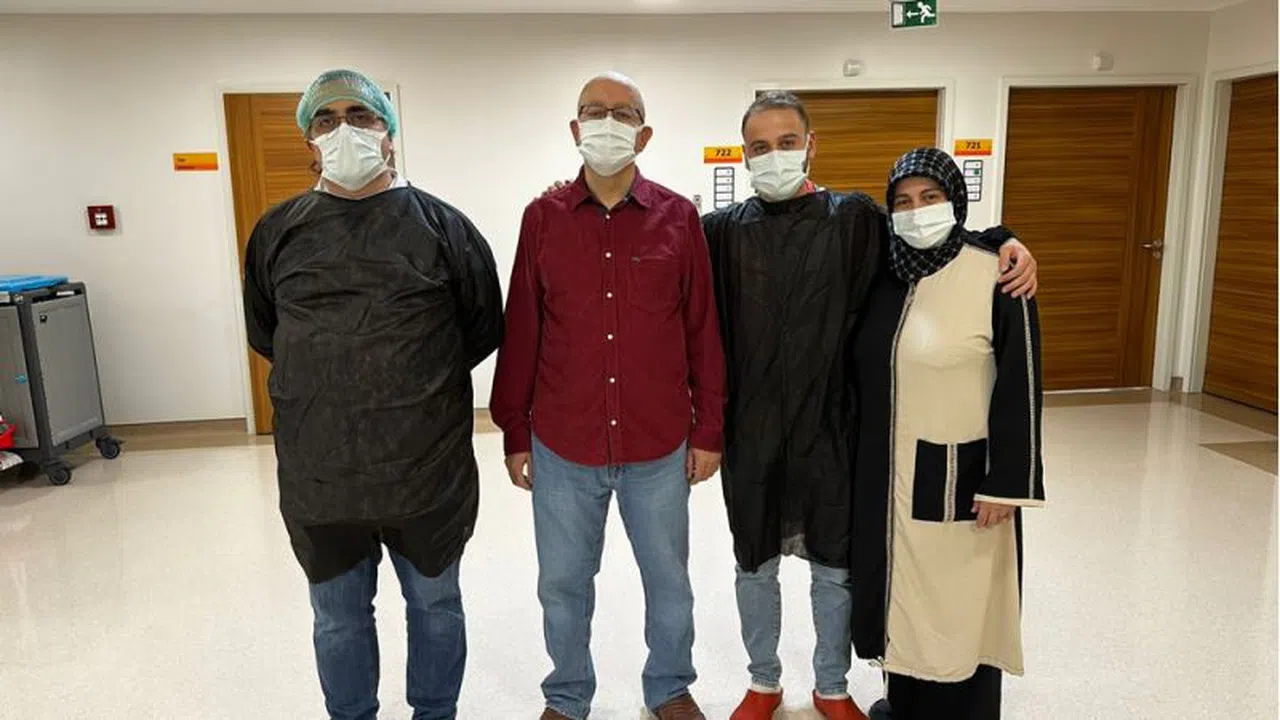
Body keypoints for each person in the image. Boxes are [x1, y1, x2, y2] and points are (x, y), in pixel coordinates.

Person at [700, 92, 1038, 720]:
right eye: (760, 146)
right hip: (751, 428)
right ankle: (763, 681)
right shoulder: (720, 232)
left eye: (786, 142)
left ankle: (831, 686)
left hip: (832, 426)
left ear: (810, 144)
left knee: (834, 566)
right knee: (754, 563)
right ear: (744, 154)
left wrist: (1005, 240)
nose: (774, 156)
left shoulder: (851, 218)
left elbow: (933, 238)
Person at [242, 68, 504, 720]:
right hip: (322, 475)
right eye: (326, 119)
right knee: (337, 618)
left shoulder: (444, 227)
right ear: (309, 139)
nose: (344, 130)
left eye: (360, 116)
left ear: (388, 132)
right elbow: (268, 333)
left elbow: (480, 329)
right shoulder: (278, 232)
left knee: (436, 606)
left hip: (427, 471)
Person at [490, 72, 726, 720]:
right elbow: (523, 329)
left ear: (644, 135)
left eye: (624, 113)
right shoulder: (542, 219)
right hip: (564, 442)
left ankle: (669, 687)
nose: (607, 122)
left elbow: (702, 328)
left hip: (658, 441)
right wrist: (514, 431)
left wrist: (709, 429)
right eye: (594, 111)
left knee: (669, 582)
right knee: (562, 585)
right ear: (575, 129)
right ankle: (567, 696)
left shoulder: (679, 218)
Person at [851, 147, 1046, 720]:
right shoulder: (884, 275)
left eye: (930, 197)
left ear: (955, 201)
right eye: (903, 201)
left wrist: (1007, 482)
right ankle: (904, 705)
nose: (917, 212)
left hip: (965, 479)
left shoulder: (996, 272)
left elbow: (1022, 381)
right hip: (887, 476)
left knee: (960, 609)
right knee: (901, 601)